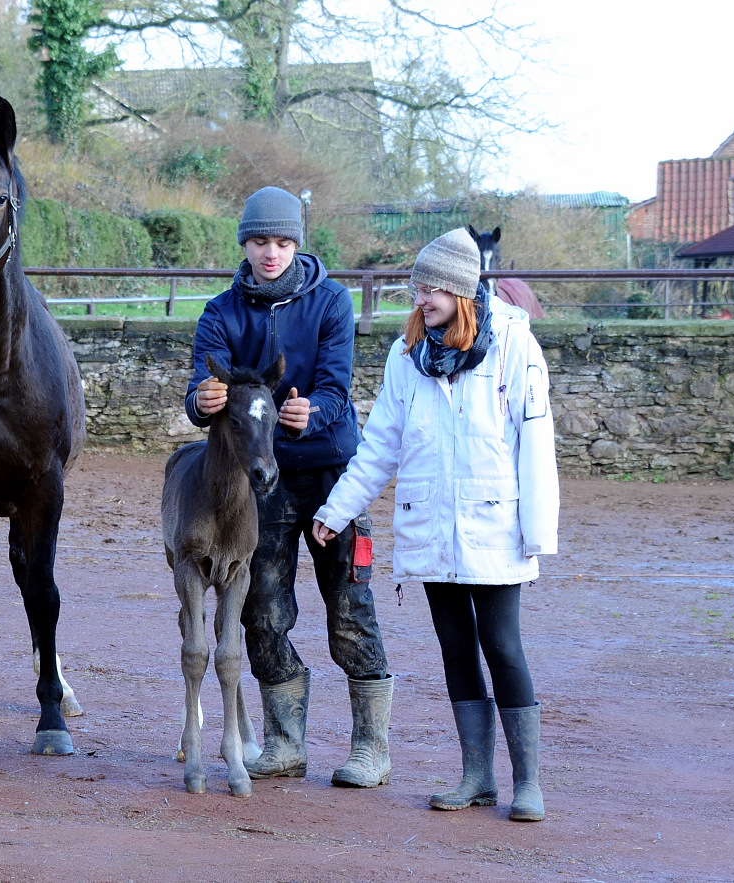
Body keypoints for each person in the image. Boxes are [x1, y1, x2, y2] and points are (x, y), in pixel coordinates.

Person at [311, 226, 558, 821]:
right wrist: (334, 510)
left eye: (434, 289)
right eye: (417, 287)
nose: (421, 298)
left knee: (502, 646)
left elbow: (536, 443)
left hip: (495, 523)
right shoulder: (406, 356)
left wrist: (537, 534)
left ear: (463, 289)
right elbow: (379, 447)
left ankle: (529, 784)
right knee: (455, 649)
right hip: (432, 525)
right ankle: (476, 776)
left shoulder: (514, 348)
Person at [184, 186, 392, 788]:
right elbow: (202, 377)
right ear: (244, 244)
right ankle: (282, 742)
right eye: (258, 241)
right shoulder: (221, 311)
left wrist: (315, 414)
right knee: (262, 609)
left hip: (330, 474)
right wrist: (201, 400)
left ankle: (371, 747)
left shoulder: (330, 301)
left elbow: (335, 384)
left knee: (349, 609)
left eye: (280, 241)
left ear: (296, 243)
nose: (269, 252)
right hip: (260, 479)